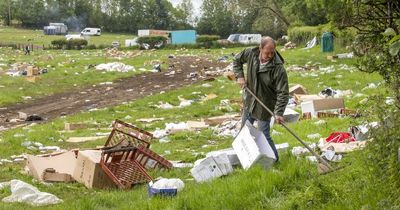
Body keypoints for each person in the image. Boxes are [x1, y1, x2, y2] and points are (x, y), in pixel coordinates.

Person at [232, 36, 289, 162]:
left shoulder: (278, 68)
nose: (269, 55)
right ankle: (244, 159)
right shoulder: (251, 54)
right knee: (244, 131)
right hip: (250, 101)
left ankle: (275, 161)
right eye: (266, 52)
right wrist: (240, 76)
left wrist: (279, 113)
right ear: (260, 48)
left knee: (264, 135)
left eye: (272, 52)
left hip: (265, 106)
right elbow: (236, 60)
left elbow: (283, 92)